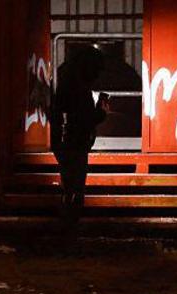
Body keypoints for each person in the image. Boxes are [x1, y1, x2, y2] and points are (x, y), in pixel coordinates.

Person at [50, 48, 110, 229]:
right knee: (76, 181)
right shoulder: (80, 89)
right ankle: (71, 217)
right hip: (76, 140)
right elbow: (87, 117)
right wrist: (101, 111)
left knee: (69, 179)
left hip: (64, 139)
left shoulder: (66, 82)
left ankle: (68, 217)